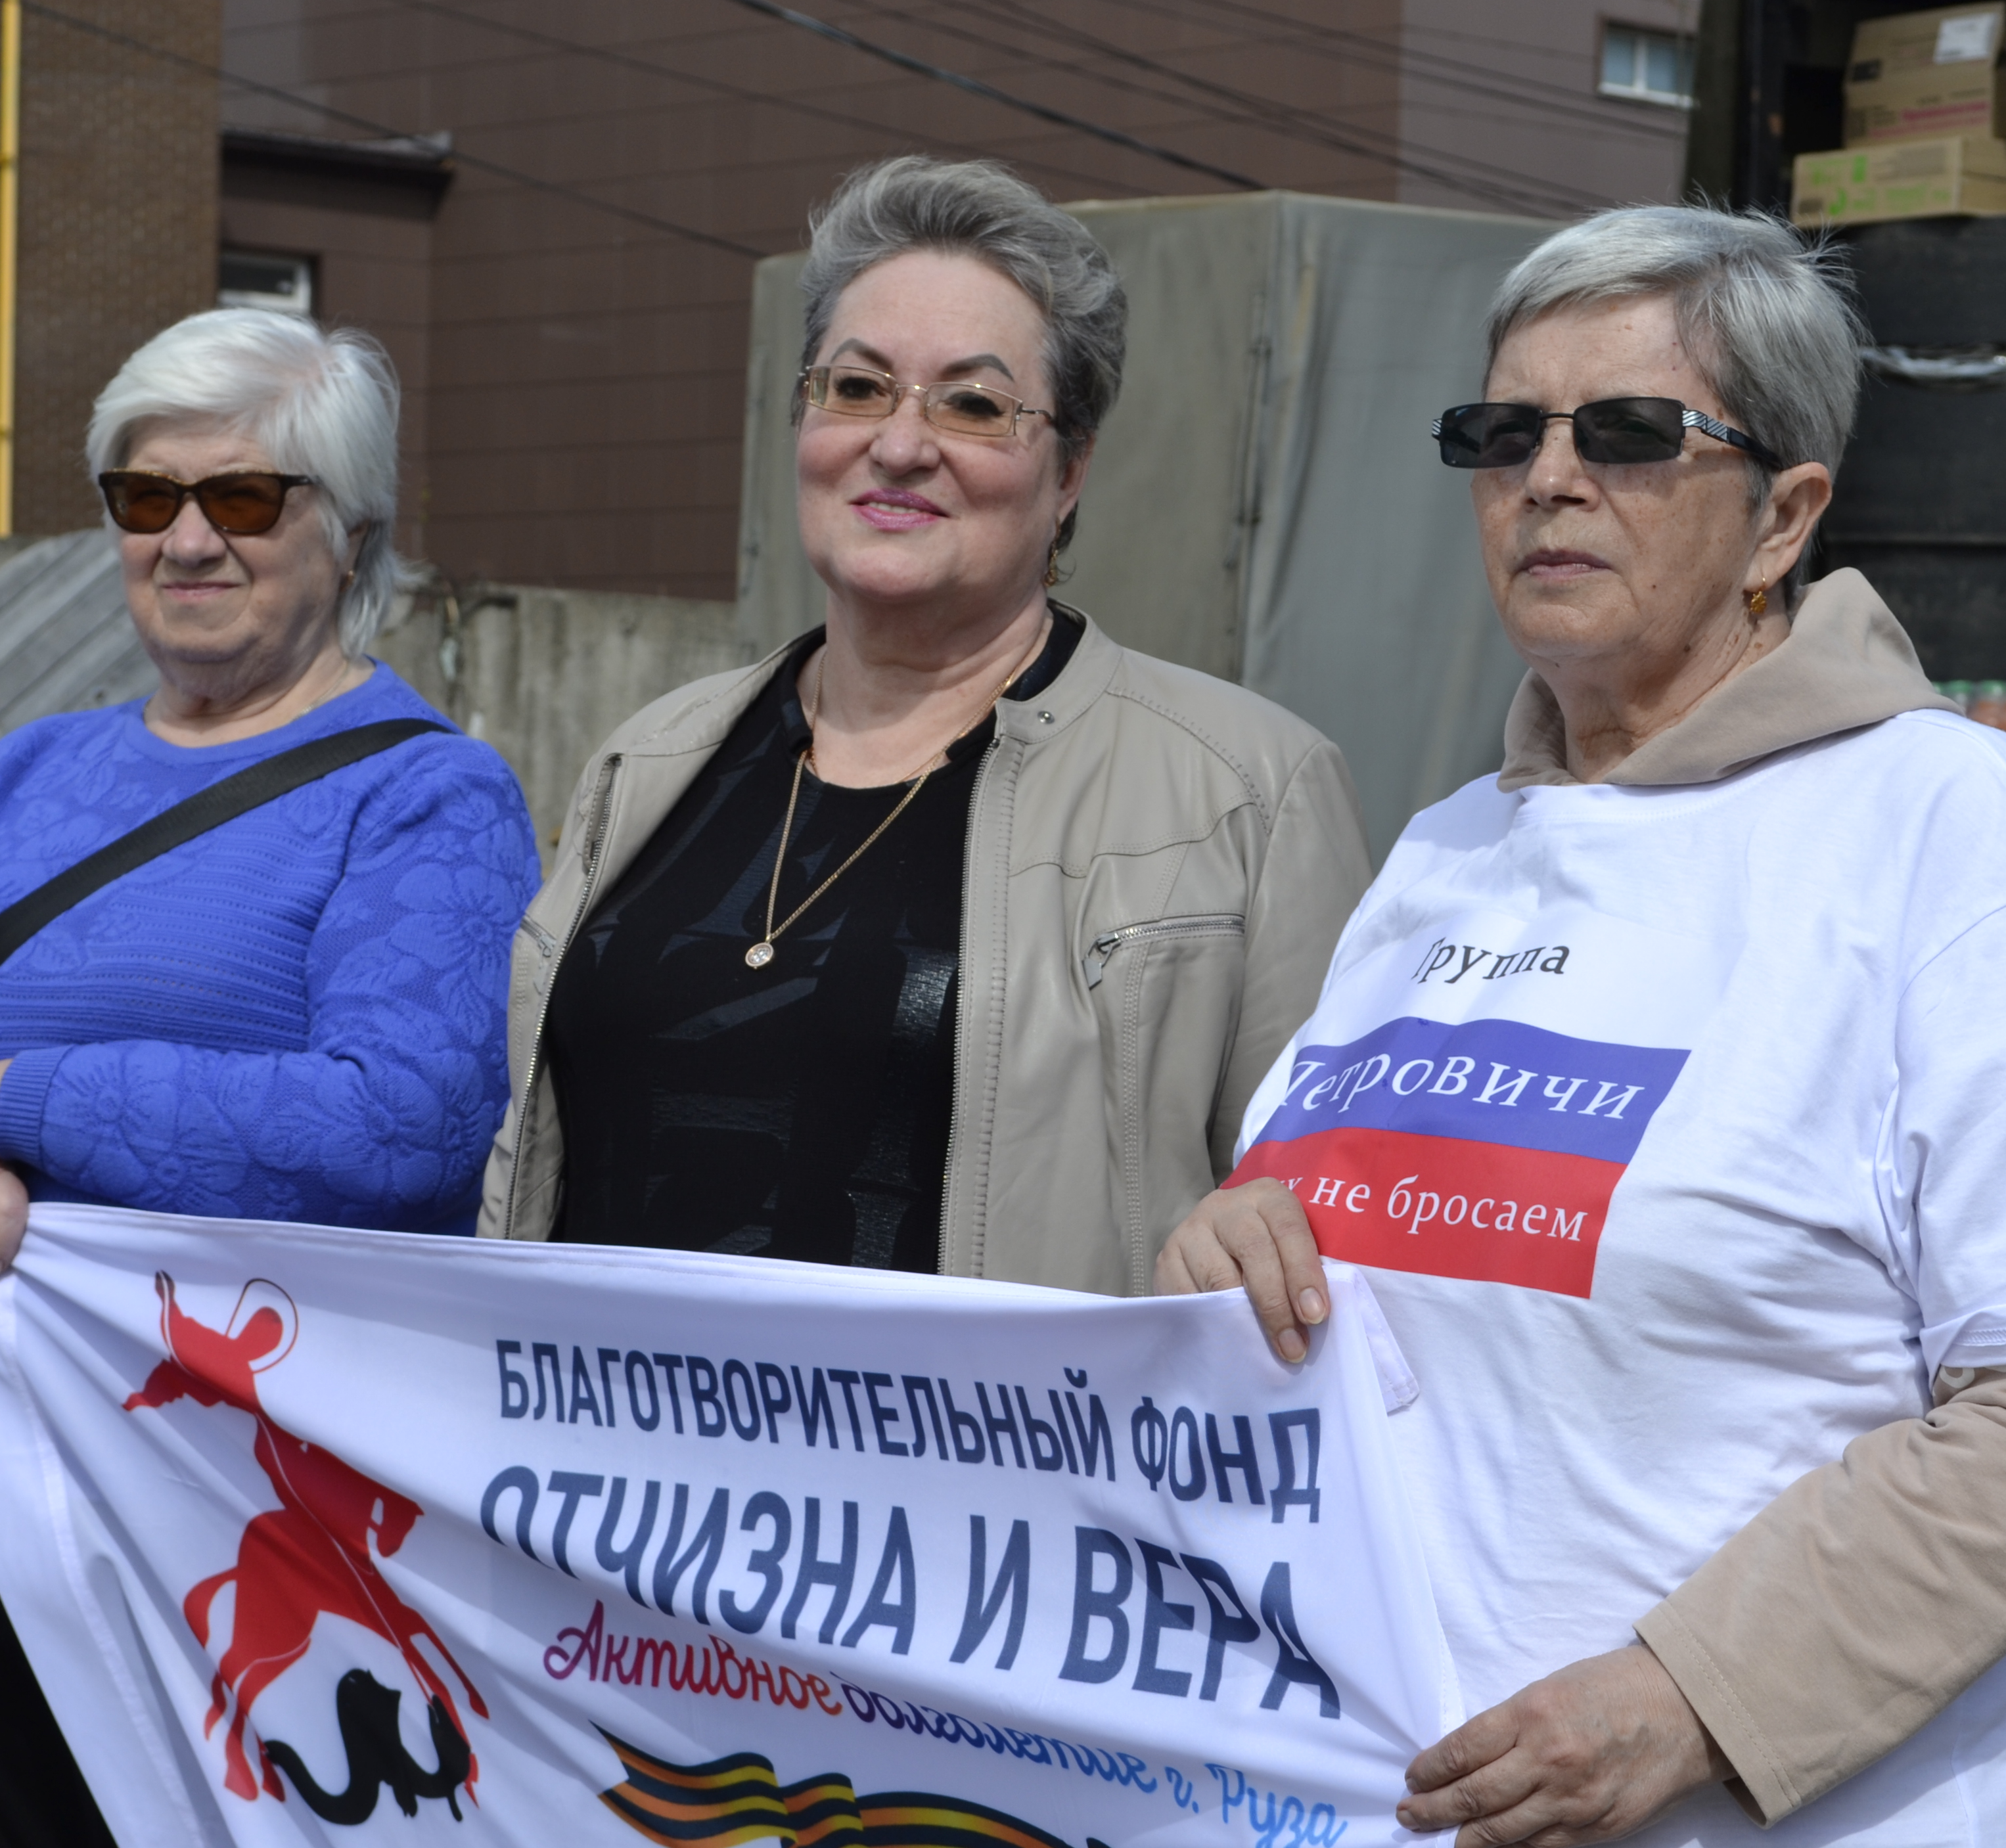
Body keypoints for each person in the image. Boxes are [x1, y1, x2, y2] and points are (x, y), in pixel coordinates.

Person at [1158, 204, 2006, 1848]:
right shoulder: (1448, 852)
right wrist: (1229, 1248)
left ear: (1786, 517)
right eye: (1505, 432)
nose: (1549, 479)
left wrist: (1696, 1697)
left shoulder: (1943, 820)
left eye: (1629, 432)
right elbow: (1332, 1259)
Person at [0, 310, 536, 1848]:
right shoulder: (21, 773)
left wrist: (6, 1104)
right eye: (143, 496)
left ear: (353, 534)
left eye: (245, 497)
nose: (187, 538)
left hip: (227, 1503)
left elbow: (399, 1123)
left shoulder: (426, 799)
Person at [480, 157, 1368, 1287]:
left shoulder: (1250, 792)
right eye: (856, 388)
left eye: (974, 404)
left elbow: (1327, 1234)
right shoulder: (650, 759)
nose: (899, 445)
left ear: (1070, 472)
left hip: (1009, 1411)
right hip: (602, 1406)